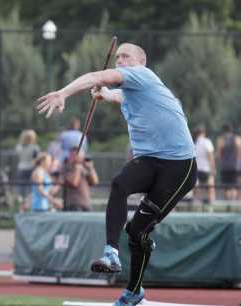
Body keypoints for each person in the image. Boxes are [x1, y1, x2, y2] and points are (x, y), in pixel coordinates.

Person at [37, 42, 197, 305]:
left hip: (179, 167)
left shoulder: (142, 75)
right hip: (150, 160)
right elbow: (118, 96)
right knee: (120, 183)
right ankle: (111, 253)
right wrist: (105, 95)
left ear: (141, 62)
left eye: (126, 56)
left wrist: (63, 93)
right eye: (118, 56)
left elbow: (94, 76)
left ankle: (133, 292)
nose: (120, 60)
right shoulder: (132, 88)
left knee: (137, 233)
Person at [62, 146, 99, 211]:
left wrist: (91, 168)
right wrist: (77, 169)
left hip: (86, 203)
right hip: (73, 204)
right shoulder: (66, 168)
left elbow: (95, 182)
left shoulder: (84, 168)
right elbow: (74, 183)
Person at [216, 123, 241, 201]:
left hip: (225, 167)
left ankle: (227, 203)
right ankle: (233, 202)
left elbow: (219, 155)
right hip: (235, 166)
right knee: (234, 185)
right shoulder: (237, 139)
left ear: (223, 130)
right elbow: (239, 153)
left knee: (226, 187)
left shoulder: (221, 139)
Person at [193, 126, 216, 210]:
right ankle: (211, 207)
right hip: (206, 168)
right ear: (204, 133)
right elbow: (210, 155)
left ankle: (197, 207)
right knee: (210, 187)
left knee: (198, 188)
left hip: (198, 169)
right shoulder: (207, 141)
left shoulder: (195, 143)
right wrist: (213, 168)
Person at [15, 129, 40, 203]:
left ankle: (22, 203)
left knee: (21, 188)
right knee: (29, 189)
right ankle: (27, 203)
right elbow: (36, 159)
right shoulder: (35, 147)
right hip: (30, 168)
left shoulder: (18, 147)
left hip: (21, 168)